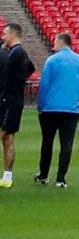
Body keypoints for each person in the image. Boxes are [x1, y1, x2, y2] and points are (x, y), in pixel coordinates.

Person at [35, 34, 79, 190]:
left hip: (50, 109)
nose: (53, 46)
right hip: (71, 110)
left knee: (47, 142)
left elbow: (44, 85)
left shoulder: (52, 61)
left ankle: (43, 175)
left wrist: (41, 106)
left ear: (60, 42)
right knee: (66, 144)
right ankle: (61, 178)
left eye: (55, 43)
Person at [0, 22, 33, 187]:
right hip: (14, 101)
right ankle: (7, 177)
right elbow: (30, 69)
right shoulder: (19, 53)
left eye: (5, 34)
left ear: (12, 35)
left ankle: (7, 177)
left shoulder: (15, 53)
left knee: (4, 136)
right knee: (8, 139)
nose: (2, 37)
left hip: (8, 102)